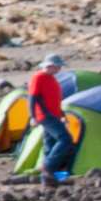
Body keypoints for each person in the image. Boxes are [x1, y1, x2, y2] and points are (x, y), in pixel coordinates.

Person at [28, 54, 76, 183]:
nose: (59, 69)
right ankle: (48, 168)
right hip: (45, 115)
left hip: (54, 115)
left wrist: (62, 115)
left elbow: (54, 100)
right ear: (49, 65)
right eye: (58, 66)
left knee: (50, 145)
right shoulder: (38, 77)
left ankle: (51, 179)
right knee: (65, 139)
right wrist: (33, 117)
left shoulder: (51, 78)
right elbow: (32, 98)